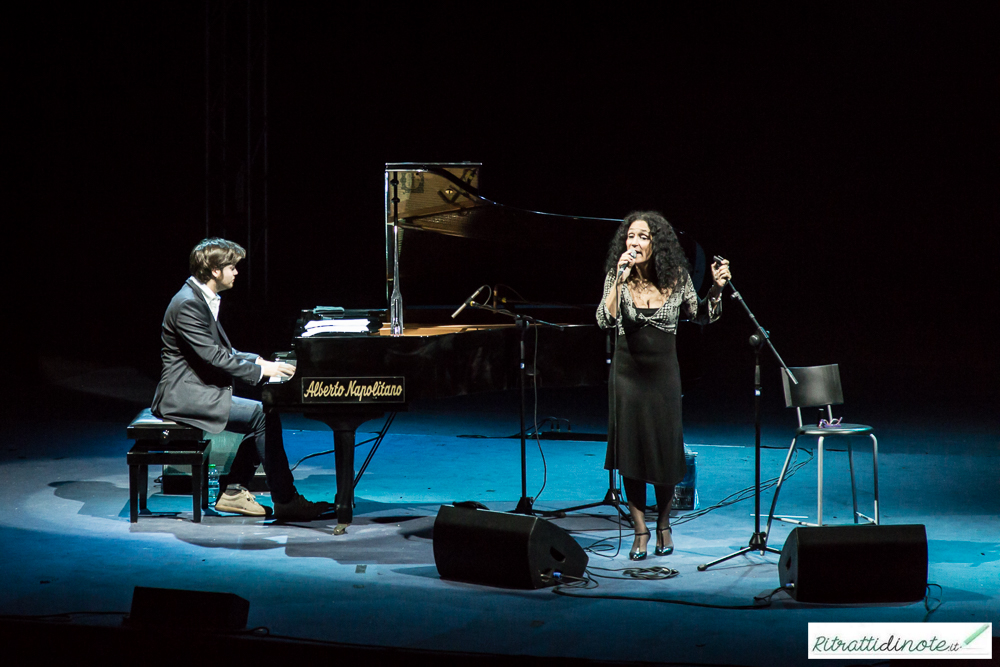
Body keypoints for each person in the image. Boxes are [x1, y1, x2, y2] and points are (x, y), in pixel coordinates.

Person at [152, 238, 332, 521]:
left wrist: (259, 361)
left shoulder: (199, 298)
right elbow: (214, 357)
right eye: (231, 266)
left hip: (197, 389)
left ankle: (235, 490)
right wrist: (262, 372)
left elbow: (224, 351)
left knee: (264, 412)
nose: (236, 272)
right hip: (183, 395)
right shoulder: (188, 303)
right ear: (214, 271)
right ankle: (284, 500)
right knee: (261, 415)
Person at [596, 212, 731, 559]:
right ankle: (640, 529)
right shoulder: (619, 277)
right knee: (632, 451)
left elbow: (701, 315)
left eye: (643, 237)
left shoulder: (677, 277)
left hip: (663, 376)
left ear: (657, 244)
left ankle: (664, 525)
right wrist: (618, 279)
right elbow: (603, 319)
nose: (634, 243)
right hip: (627, 375)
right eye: (630, 237)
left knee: (664, 450)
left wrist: (715, 288)